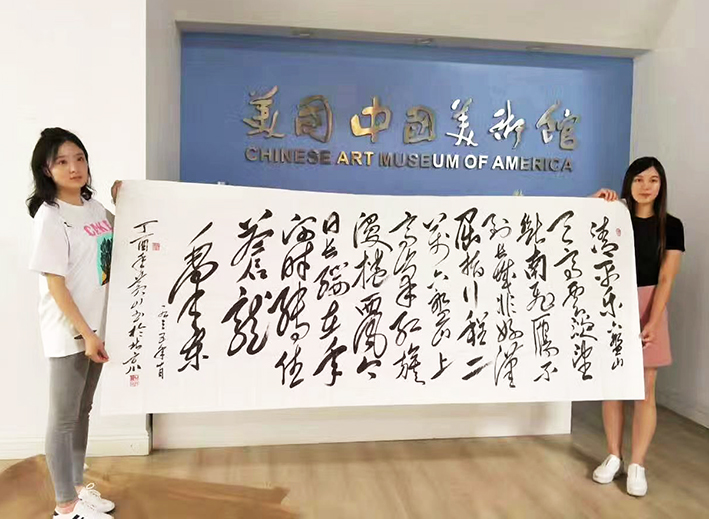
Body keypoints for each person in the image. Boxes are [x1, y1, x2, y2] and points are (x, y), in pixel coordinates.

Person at [27, 128, 117, 518]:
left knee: (82, 410)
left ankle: (78, 488)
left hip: (97, 327)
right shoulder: (51, 216)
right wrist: (85, 332)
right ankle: (65, 506)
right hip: (71, 330)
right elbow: (56, 284)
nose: (74, 167)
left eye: (79, 158)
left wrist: (124, 201)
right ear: (46, 170)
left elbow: (130, 237)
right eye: (62, 161)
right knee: (63, 418)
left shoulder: (93, 207)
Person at [590, 157, 685, 497]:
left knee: (645, 386)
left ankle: (637, 464)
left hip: (650, 304)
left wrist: (654, 321)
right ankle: (613, 456)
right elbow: (576, 236)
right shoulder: (613, 215)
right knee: (613, 386)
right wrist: (593, 203)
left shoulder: (672, 226)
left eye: (653, 180)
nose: (646, 186)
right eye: (639, 179)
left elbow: (666, 277)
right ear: (628, 183)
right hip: (612, 304)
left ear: (661, 186)